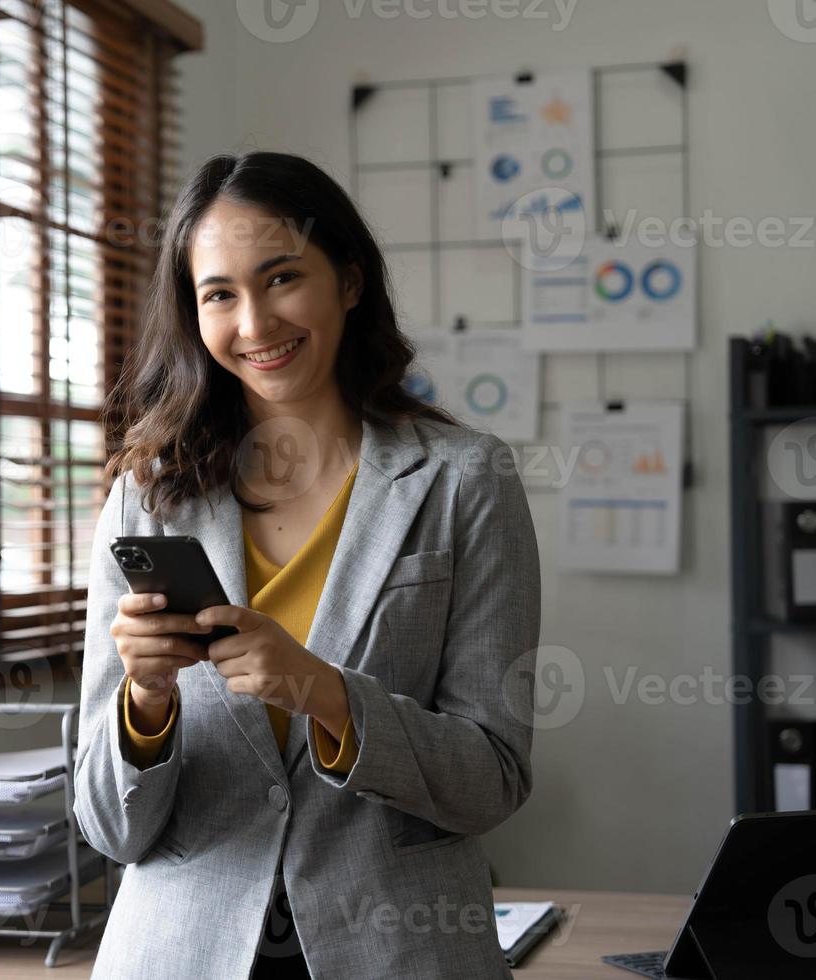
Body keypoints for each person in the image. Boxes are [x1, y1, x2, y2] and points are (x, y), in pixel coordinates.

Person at [71, 151, 542, 979]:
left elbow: (492, 781)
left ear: (349, 282)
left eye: (282, 278)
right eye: (219, 294)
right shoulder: (146, 500)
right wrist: (145, 703)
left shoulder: (466, 480)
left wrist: (325, 695)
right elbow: (110, 828)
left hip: (398, 952)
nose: (254, 324)